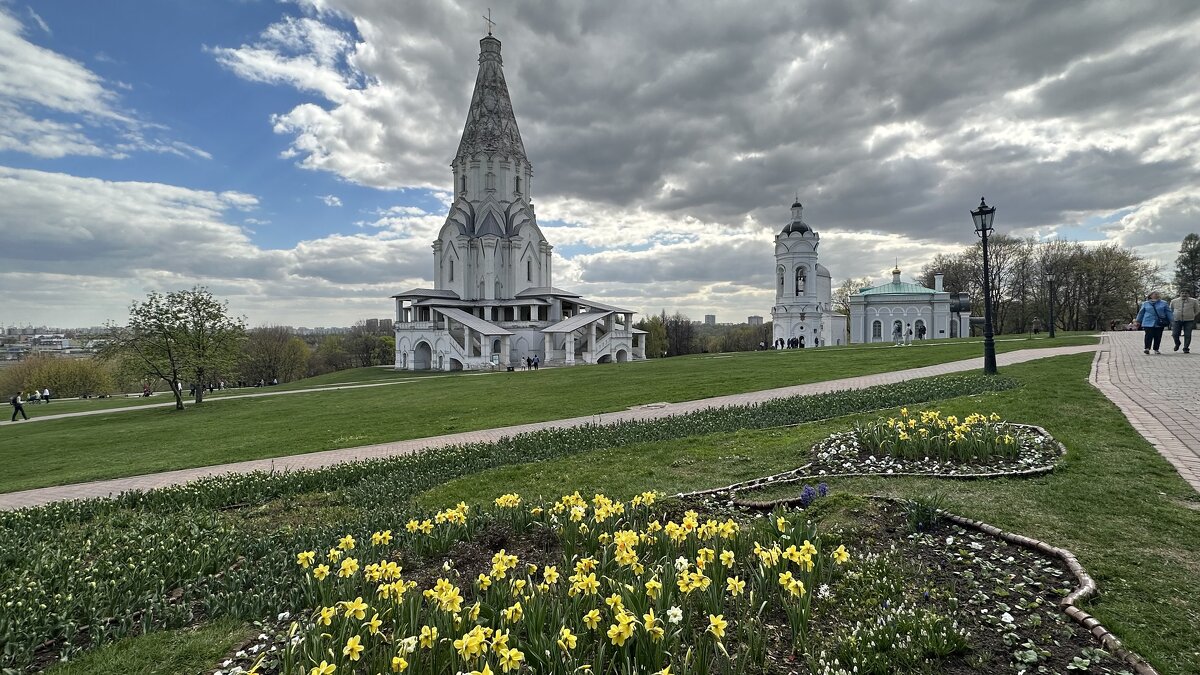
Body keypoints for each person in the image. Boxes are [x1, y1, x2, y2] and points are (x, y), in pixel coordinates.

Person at [1170, 288, 1200, 353]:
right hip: (1177, 320)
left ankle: (1186, 348)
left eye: (1186, 293)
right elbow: (1171, 310)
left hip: (1189, 320)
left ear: (1188, 294)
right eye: (1182, 293)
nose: (1184, 294)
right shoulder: (1174, 301)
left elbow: (1197, 310)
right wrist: (1173, 316)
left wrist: (1192, 315)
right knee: (1175, 334)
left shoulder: (1194, 301)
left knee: (1188, 334)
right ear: (1180, 294)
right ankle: (1177, 343)